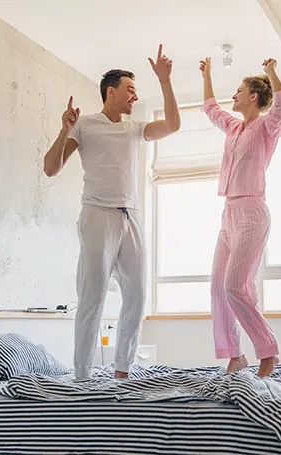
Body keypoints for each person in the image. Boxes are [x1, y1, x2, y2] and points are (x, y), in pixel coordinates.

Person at [44, 44, 180, 380]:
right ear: (111, 91)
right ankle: (82, 375)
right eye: (130, 90)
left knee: (137, 294)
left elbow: (173, 125)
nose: (135, 97)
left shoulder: (134, 128)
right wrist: (64, 130)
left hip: (130, 216)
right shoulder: (85, 125)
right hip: (96, 215)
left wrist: (165, 81)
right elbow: (50, 169)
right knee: (93, 295)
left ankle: (122, 369)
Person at [199, 56, 281, 377]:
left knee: (237, 285)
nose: (233, 96)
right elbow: (210, 108)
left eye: (238, 90)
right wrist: (207, 76)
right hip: (229, 214)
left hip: (252, 212)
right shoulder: (234, 127)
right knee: (217, 287)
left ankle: (268, 351)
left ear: (253, 96)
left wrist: (271, 73)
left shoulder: (266, 127)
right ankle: (235, 356)